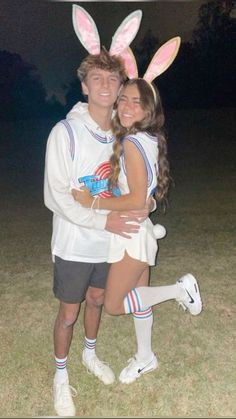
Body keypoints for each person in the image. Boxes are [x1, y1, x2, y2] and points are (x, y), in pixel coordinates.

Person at [43, 5, 156, 416]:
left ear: (121, 83)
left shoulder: (124, 135)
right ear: (85, 86)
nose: (106, 85)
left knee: (95, 300)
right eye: (98, 78)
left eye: (113, 78)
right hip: (75, 240)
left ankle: (90, 355)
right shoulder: (65, 132)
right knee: (69, 311)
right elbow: (56, 197)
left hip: (108, 243)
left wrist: (149, 203)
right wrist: (101, 216)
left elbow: (138, 186)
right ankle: (60, 375)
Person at [72, 76, 203, 385]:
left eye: (137, 102)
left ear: (148, 110)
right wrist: (141, 203)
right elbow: (144, 196)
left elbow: (134, 197)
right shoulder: (148, 139)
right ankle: (146, 357)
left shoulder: (132, 143)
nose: (128, 106)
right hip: (139, 229)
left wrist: (92, 203)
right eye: (124, 99)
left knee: (116, 304)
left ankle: (179, 291)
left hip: (130, 233)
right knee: (139, 298)